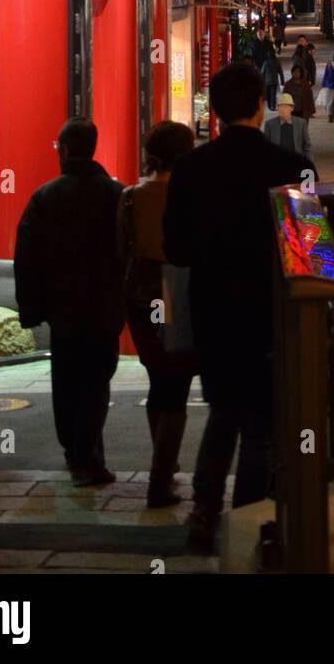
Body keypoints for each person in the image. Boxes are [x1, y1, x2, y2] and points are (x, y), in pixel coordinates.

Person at [164, 60, 312, 551]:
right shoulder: (289, 168)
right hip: (273, 313)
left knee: (224, 410)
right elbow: (312, 255)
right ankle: (249, 519)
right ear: (259, 105)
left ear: (219, 112)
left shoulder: (190, 168)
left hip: (214, 311)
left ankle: (205, 509)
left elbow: (177, 249)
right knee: (263, 424)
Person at [15, 117, 125, 487]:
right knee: (97, 379)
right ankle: (86, 454)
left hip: (62, 309)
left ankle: (77, 452)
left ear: (63, 150)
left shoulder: (45, 196)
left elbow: (26, 256)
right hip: (106, 305)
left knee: (67, 380)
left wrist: (30, 308)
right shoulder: (116, 194)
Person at [118, 121, 196, 509]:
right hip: (178, 287)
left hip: (141, 289)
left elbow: (122, 249)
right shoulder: (192, 195)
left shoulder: (130, 196)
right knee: (176, 385)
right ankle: (161, 477)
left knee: (157, 379)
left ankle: (163, 464)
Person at [263, 93, 314, 167]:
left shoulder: (301, 123)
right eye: (280, 106)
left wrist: (310, 165)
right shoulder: (270, 124)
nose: (282, 109)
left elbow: (307, 147)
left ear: (292, 108)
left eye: (286, 106)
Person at [261, 39, 285, 110]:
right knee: (273, 94)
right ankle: (273, 105)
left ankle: (269, 105)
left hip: (267, 81)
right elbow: (280, 72)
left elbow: (262, 72)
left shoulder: (266, 62)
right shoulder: (277, 62)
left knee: (268, 94)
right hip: (274, 80)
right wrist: (282, 81)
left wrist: (261, 80)